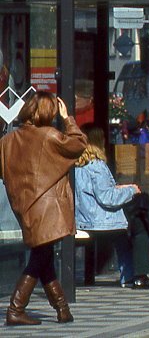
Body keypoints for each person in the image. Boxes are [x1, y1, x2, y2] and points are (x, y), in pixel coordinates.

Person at [0, 91, 87, 325]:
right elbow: (78, 144)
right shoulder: (49, 135)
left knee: (44, 254)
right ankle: (16, 308)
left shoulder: (7, 141)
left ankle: (62, 309)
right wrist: (68, 118)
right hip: (47, 206)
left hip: (23, 206)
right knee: (39, 257)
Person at [74, 126, 149, 288]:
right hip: (100, 221)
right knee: (135, 229)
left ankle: (129, 275)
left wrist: (119, 188)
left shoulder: (75, 166)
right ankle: (132, 276)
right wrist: (131, 190)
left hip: (82, 219)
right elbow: (107, 198)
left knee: (123, 235)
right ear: (98, 142)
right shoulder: (96, 166)